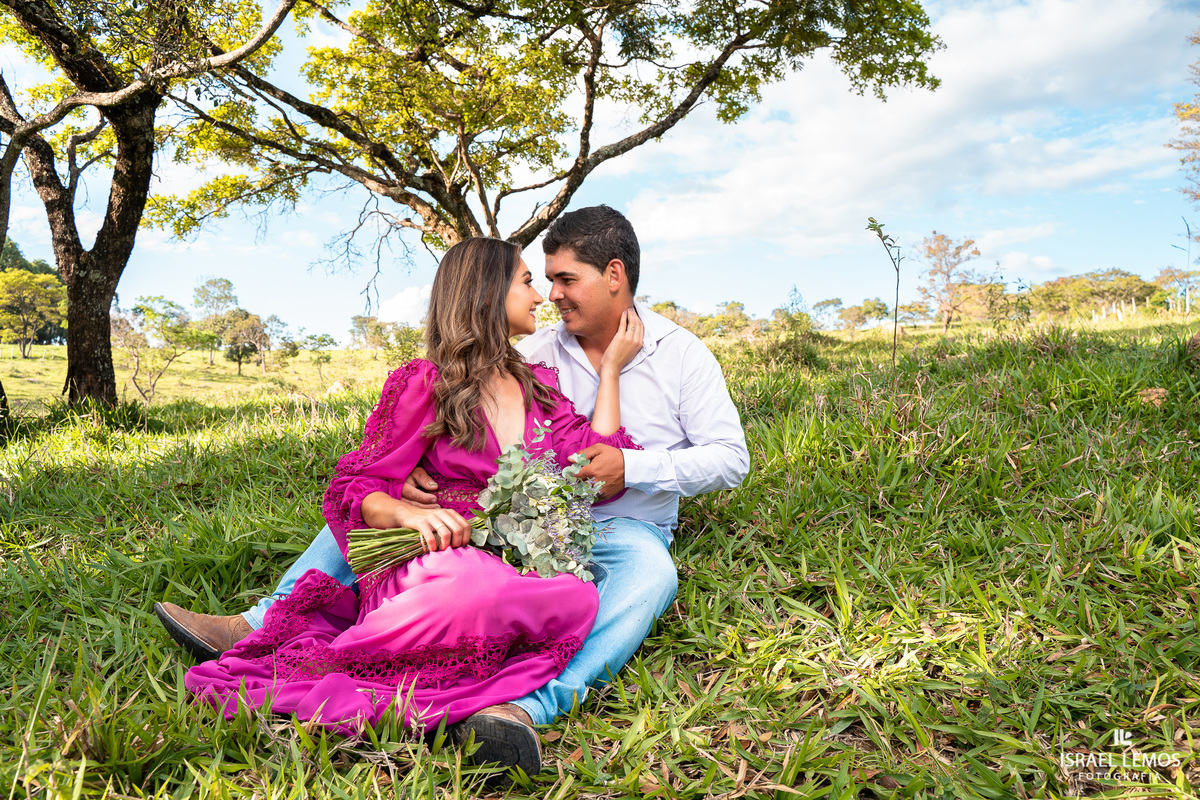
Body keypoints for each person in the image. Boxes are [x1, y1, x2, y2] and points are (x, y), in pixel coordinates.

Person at [157, 205, 750, 776]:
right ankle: (262, 622)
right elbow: (450, 425)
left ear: (614, 275)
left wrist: (625, 435)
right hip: (486, 528)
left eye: (565, 279)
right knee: (386, 503)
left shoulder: (680, 355)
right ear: (495, 296)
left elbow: (721, 460)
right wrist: (411, 490)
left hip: (619, 523)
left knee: (650, 577)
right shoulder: (533, 355)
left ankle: (525, 707)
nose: (550, 295)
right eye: (538, 281)